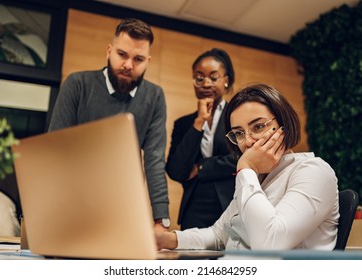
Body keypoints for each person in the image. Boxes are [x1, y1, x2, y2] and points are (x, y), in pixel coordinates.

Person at [156, 83, 339, 250]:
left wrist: (246, 169)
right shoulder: (254, 179)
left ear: (284, 123)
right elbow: (219, 234)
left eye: (258, 126)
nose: (248, 142)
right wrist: (168, 239)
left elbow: (270, 244)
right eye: (239, 133)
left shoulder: (312, 171)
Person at [48, 18, 170, 231]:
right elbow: (55, 148)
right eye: (122, 54)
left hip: (122, 207)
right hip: (72, 203)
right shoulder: (77, 84)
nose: (128, 65)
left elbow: (154, 160)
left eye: (138, 59)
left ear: (148, 61)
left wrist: (161, 220)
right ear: (109, 51)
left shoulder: (155, 97)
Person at [166, 48, 237, 230]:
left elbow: (242, 157)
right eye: (199, 78)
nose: (206, 83)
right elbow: (175, 170)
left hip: (231, 204)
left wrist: (201, 168)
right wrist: (198, 123)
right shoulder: (183, 124)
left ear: (226, 81)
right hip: (193, 208)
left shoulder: (237, 116)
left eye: (213, 78)